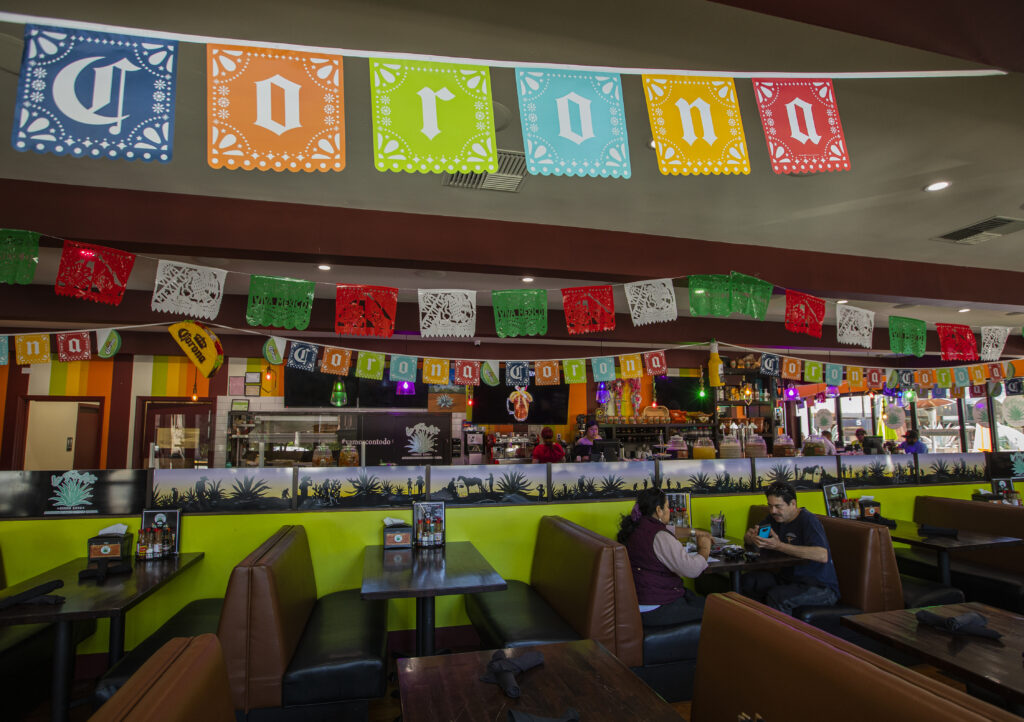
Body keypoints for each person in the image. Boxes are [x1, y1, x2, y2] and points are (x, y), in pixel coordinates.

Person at [742, 481, 840, 615]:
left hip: (819, 586)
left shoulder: (808, 520)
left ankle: (778, 629)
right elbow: (753, 538)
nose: (773, 511)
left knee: (777, 596)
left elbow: (822, 555)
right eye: (770, 506)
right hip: (788, 579)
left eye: (778, 506)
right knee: (748, 582)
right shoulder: (773, 518)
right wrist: (751, 537)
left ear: (793, 504)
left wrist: (779, 546)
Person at [618, 488, 712, 626]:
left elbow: (671, 530)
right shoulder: (659, 536)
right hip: (656, 607)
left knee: (703, 601)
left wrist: (695, 532)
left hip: (639, 601)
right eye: (667, 507)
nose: (669, 510)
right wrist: (704, 549)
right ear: (659, 510)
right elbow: (692, 570)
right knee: (715, 611)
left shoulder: (637, 526)